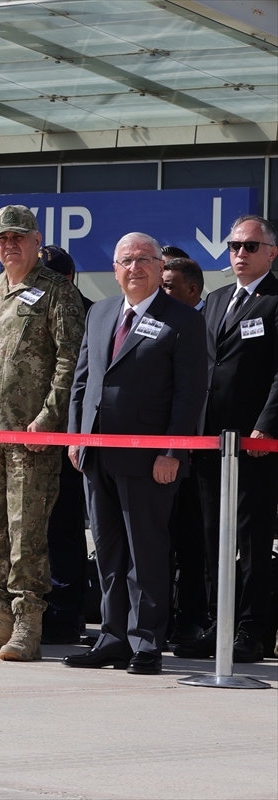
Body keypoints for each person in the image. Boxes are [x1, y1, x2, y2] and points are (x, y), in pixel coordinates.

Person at [63, 233, 207, 675]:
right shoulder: (102, 312)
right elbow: (82, 380)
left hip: (149, 460)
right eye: (126, 260)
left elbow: (190, 395)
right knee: (108, 552)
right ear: (114, 268)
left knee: (146, 553)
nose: (135, 267)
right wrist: (76, 435)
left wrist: (172, 452)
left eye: (144, 259)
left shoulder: (182, 320)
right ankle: (112, 638)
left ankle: (146, 642)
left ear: (160, 266)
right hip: (96, 454)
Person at [0, 205, 85, 662]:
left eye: (18, 237)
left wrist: (49, 417)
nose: (10, 245)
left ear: (35, 240)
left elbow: (70, 361)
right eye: (2, 239)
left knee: (26, 535)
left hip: (31, 438)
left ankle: (28, 625)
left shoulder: (57, 293)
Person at [177, 215, 278, 664]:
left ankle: (253, 631)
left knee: (253, 540)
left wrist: (267, 424)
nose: (240, 253)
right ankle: (220, 625)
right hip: (211, 443)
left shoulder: (276, 300)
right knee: (214, 536)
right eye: (235, 245)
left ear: (272, 253)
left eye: (251, 246)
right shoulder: (215, 301)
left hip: (255, 443)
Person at [37, 244, 93, 645]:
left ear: (68, 279)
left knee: (64, 531)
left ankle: (64, 614)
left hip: (66, 439)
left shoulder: (91, 312)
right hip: (26, 438)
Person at [160, 255, 208, 646]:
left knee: (194, 542)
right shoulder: (159, 321)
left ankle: (192, 621)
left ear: (192, 290)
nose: (163, 292)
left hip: (203, 449)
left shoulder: (201, 320)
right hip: (162, 451)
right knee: (164, 540)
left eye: (170, 286)